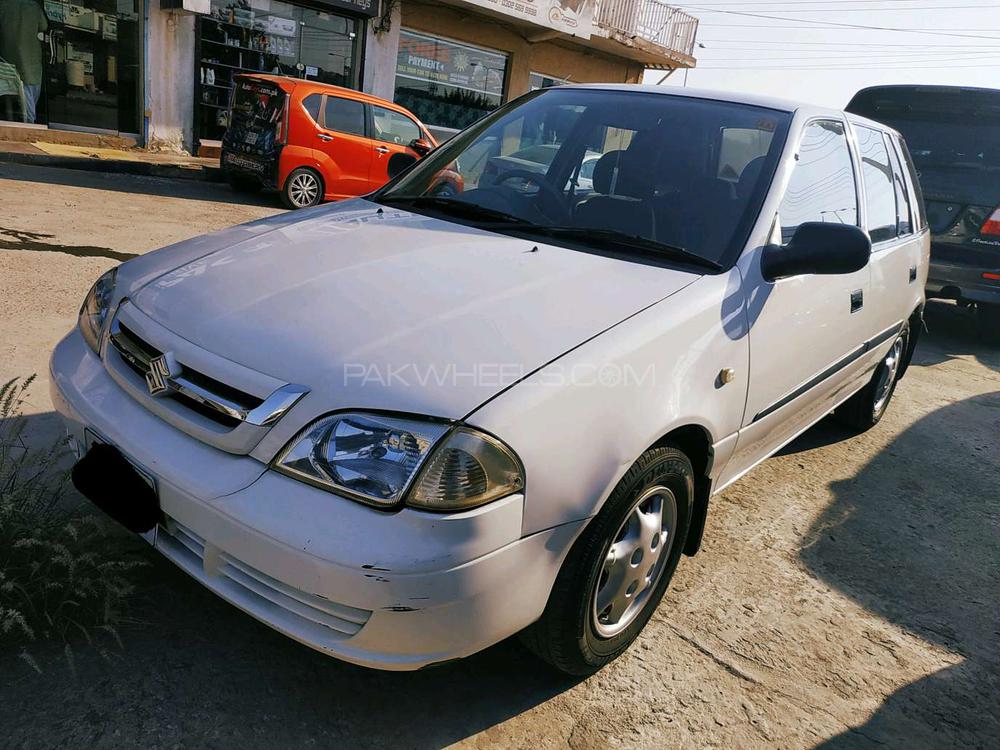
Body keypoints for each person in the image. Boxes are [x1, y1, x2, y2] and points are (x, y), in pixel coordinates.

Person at [0, 0, 48, 123]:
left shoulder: (3, 5)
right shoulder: (33, 6)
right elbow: (44, 26)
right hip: (29, 58)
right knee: (29, 90)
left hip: (6, 59)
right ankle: (29, 124)